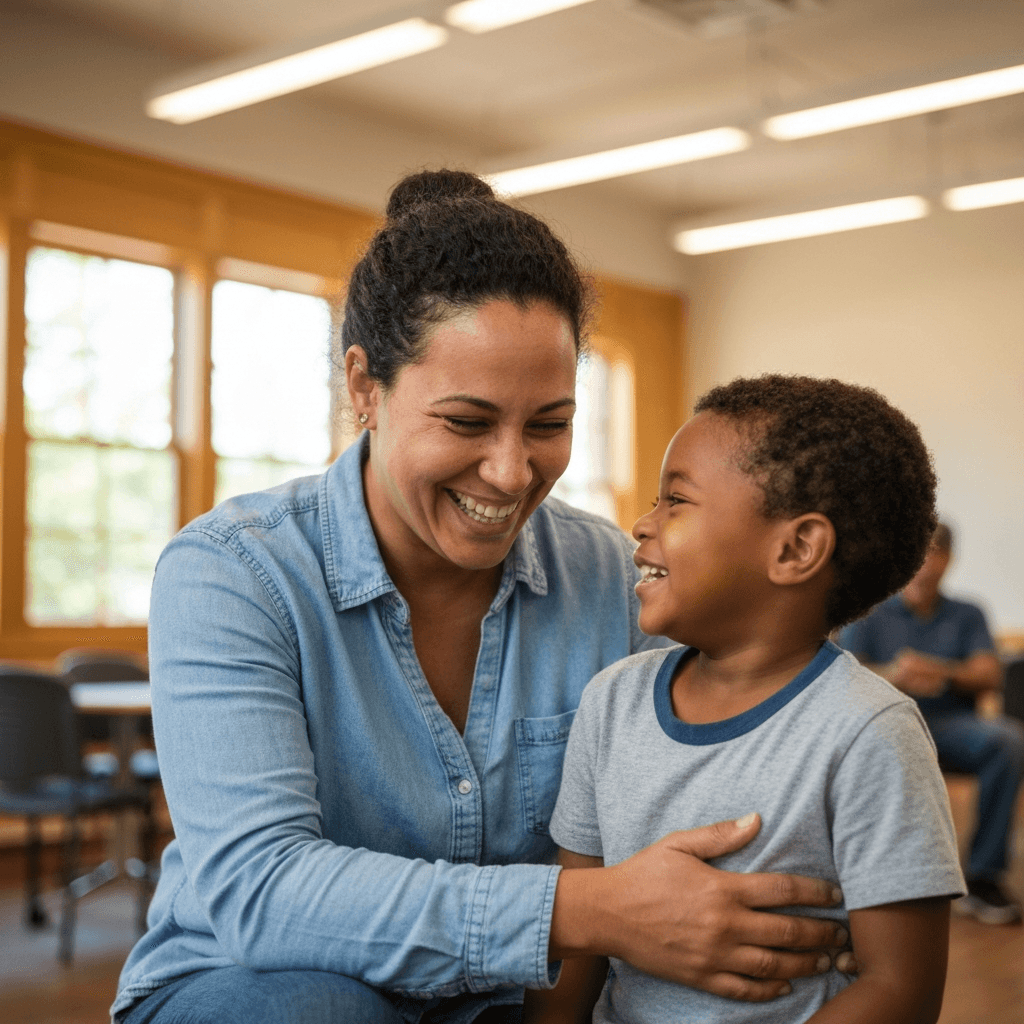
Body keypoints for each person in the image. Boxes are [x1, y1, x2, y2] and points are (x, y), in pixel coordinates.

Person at [113, 172, 852, 1024]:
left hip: (524, 997)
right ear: (364, 388)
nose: (512, 471)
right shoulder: (234, 571)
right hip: (260, 984)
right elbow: (262, 893)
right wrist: (595, 910)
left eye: (549, 424)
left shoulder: (614, 580)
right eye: (466, 422)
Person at [524, 375, 966, 1024]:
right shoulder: (609, 702)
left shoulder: (870, 732)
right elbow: (580, 933)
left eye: (677, 500)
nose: (643, 525)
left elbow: (901, 989)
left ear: (794, 549)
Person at [840, 522, 1024, 925]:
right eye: (919, 553)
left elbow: (989, 674)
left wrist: (941, 671)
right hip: (885, 727)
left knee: (1008, 741)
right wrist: (895, 674)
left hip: (950, 726)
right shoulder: (869, 610)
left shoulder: (968, 612)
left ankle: (983, 878)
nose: (927, 564)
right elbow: (845, 673)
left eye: (937, 553)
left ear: (949, 560)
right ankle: (871, 880)